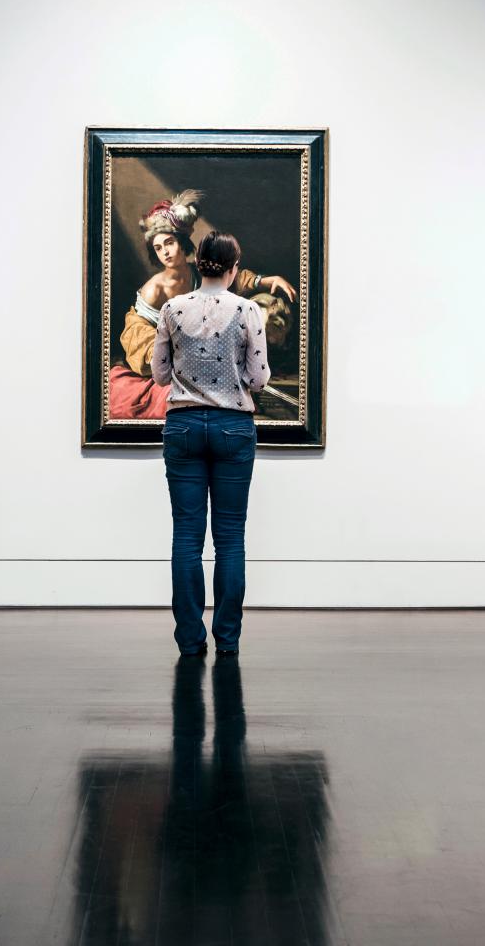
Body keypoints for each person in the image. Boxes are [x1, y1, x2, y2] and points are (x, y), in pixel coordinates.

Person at [151, 231, 269, 657]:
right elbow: (257, 379)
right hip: (233, 427)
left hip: (182, 426)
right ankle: (228, 640)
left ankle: (189, 640)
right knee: (230, 538)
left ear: (199, 263)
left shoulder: (171, 308)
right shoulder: (247, 309)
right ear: (234, 268)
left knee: (186, 536)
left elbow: (160, 375)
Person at [109, 190, 295, 419]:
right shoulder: (153, 290)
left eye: (169, 243)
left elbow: (232, 280)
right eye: (158, 248)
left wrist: (267, 280)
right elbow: (139, 336)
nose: (165, 252)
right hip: (164, 366)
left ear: (182, 242)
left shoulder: (197, 273)